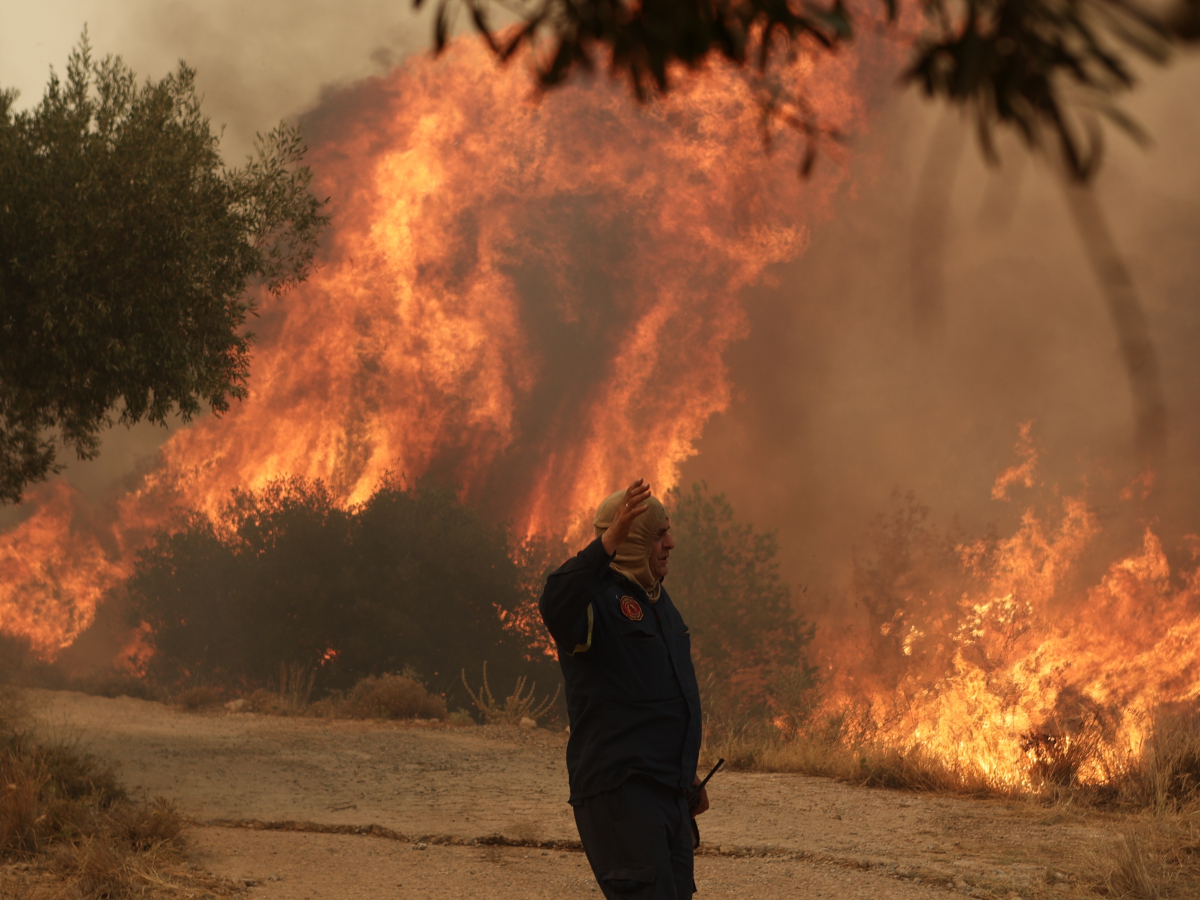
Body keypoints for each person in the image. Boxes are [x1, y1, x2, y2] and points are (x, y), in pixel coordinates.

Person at [540, 477, 707, 900]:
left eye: (668, 531)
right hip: (621, 793)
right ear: (630, 540)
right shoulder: (595, 602)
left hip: (666, 794)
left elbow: (666, 699)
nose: (670, 543)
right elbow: (555, 604)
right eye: (658, 534)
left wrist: (685, 777)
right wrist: (605, 545)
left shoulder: (658, 604)